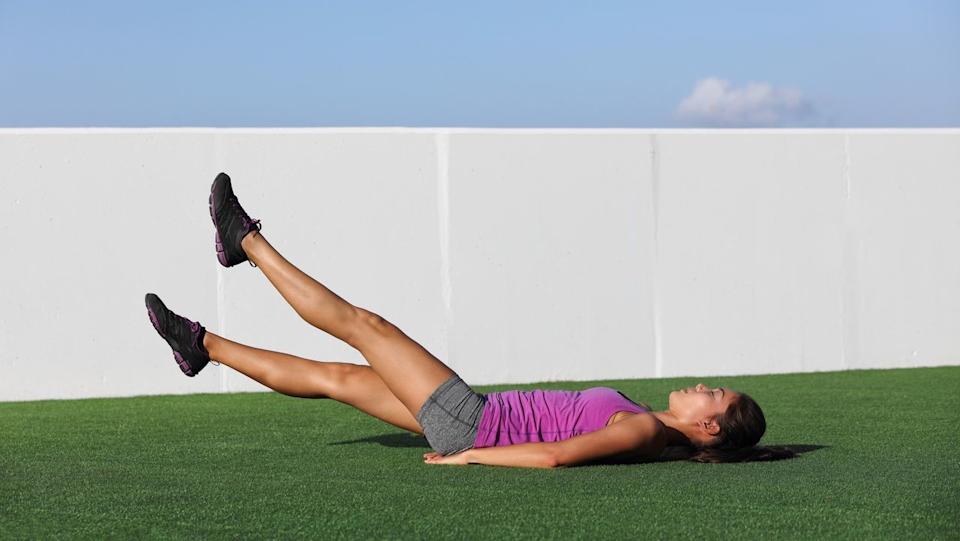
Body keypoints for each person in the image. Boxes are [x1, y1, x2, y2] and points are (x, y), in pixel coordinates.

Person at [145, 173, 795, 468]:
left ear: (709, 425)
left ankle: (244, 242)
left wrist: (474, 456)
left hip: (472, 422)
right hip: (471, 416)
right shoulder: (649, 423)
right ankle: (202, 346)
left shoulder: (644, 429)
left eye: (713, 392)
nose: (704, 384)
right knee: (338, 377)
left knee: (363, 325)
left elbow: (561, 455)